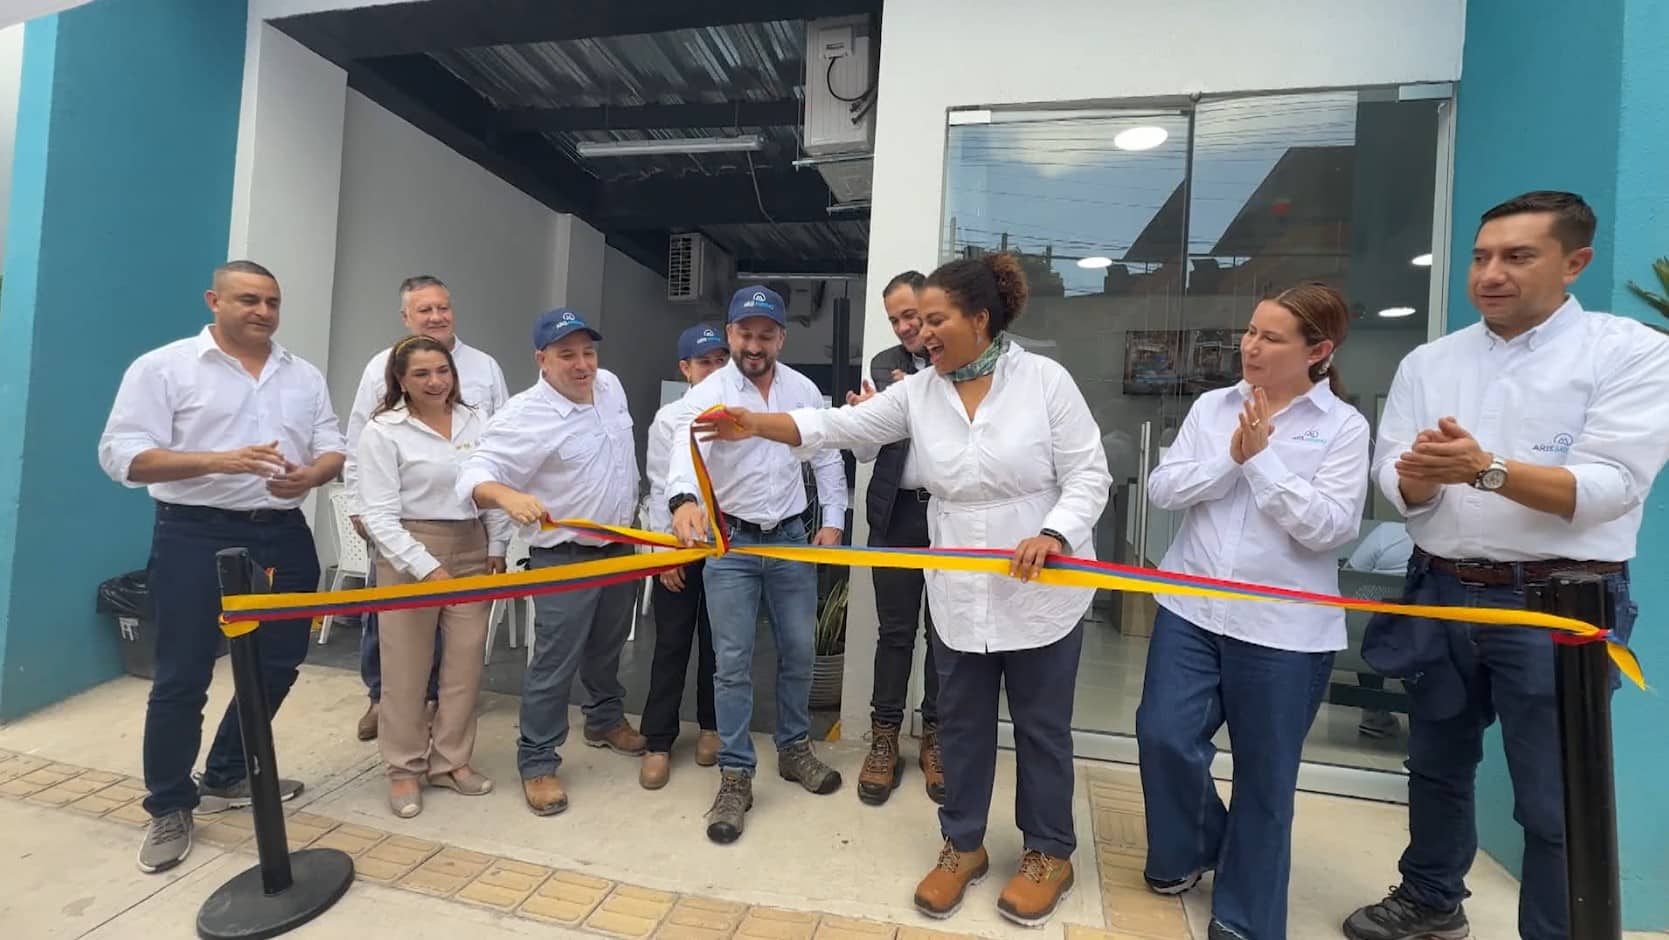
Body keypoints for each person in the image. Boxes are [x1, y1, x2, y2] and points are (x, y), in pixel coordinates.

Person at [690, 256, 1110, 927]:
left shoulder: (1043, 381)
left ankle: (1047, 853)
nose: (924, 334)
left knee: (1039, 729)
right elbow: (838, 427)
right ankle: (962, 843)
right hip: (958, 585)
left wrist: (1054, 532)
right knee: (963, 725)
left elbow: (1090, 474)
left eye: (936, 320)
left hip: (1041, 586)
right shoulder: (921, 391)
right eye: (919, 323)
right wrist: (753, 423)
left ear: (980, 319)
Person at [1343, 191, 1669, 940]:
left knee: (1554, 794)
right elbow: (1393, 476)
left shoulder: (1629, 353)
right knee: (1433, 761)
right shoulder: (1432, 361)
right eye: (1481, 257)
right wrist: (1423, 473)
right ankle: (1429, 898)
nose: (1490, 274)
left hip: (1554, 602)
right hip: (1443, 588)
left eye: (1517, 257)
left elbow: (1610, 488)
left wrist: (1485, 469)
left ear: (1573, 263)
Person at [1135, 283, 1370, 940]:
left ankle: (1243, 919)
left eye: (1270, 337)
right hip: (1192, 608)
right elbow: (1162, 487)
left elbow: (1328, 529)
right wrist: (1230, 458)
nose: (1249, 345)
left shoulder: (1342, 426)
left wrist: (1262, 465)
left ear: (1317, 351)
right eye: (1249, 331)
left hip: (1283, 630)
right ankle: (1194, 848)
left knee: (1265, 779)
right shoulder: (1214, 408)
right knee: (1162, 736)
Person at [97, 261, 345, 873]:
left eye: (273, 302)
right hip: (194, 533)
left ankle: (229, 774)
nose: (262, 312)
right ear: (214, 300)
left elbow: (332, 444)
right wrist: (220, 462)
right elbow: (122, 457)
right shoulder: (164, 367)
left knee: (283, 660)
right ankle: (169, 806)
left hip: (284, 533)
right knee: (183, 673)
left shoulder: (303, 375)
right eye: (248, 300)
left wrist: (312, 475)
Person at [665, 286, 850, 845]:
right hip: (733, 545)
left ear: (780, 338)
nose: (754, 344)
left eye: (765, 334)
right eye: (745, 333)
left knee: (798, 650)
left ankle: (795, 749)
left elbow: (825, 450)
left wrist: (835, 516)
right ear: (729, 336)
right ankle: (736, 773)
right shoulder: (710, 392)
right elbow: (683, 452)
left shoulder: (802, 388)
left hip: (792, 539)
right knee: (733, 662)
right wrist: (682, 502)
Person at [456, 309, 644, 817]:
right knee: (554, 660)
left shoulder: (610, 387)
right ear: (542, 359)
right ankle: (537, 761)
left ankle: (604, 720)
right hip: (564, 556)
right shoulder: (523, 415)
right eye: (567, 355)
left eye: (588, 352)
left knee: (608, 646)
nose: (582, 365)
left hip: (619, 550)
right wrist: (506, 496)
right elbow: (474, 471)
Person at [344, 276, 509, 742]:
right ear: (406, 318)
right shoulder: (381, 367)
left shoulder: (484, 367)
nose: (436, 316)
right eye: (424, 310)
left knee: (461, 649)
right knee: (393, 635)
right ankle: (383, 700)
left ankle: (440, 716)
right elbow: (359, 436)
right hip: (402, 522)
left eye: (443, 307)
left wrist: (498, 536)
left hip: (468, 527)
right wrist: (361, 504)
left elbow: (498, 449)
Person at [357, 335, 513, 817]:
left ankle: (451, 763)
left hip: (472, 546)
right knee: (405, 671)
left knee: (464, 669)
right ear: (401, 380)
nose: (435, 381)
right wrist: (428, 568)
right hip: (409, 553)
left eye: (442, 371)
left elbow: (494, 485)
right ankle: (404, 770)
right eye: (421, 374)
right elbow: (378, 516)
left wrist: (498, 545)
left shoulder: (477, 421)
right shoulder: (383, 431)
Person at [845, 270, 947, 806]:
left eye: (912, 314)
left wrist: (912, 402)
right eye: (896, 319)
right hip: (898, 515)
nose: (906, 327)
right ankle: (884, 738)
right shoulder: (884, 364)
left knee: (944, 632)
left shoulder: (959, 361)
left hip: (950, 519)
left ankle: (936, 736)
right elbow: (871, 446)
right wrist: (868, 419)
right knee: (896, 632)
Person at [637, 324, 730, 789]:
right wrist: (662, 554)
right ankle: (657, 741)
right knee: (671, 643)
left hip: (727, 549)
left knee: (719, 645)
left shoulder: (738, 414)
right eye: (704, 362)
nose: (714, 369)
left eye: (720, 360)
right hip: (681, 547)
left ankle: (711, 728)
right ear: (685, 369)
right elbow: (659, 488)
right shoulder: (669, 418)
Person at [1344, 521, 1414, 739]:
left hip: (1370, 641)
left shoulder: (1387, 533)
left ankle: (1373, 713)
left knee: (1364, 624)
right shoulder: (1443, 543)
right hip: (1420, 641)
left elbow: (1350, 577)